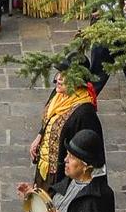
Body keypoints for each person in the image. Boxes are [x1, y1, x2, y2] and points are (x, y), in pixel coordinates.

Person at [26, 68, 104, 198]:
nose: (59, 78)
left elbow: (88, 155)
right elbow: (50, 118)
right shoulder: (58, 95)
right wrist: (40, 136)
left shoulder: (84, 114)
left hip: (61, 176)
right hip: (43, 170)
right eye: (59, 73)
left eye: (66, 75)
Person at [48, 130, 115, 212]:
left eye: (72, 157)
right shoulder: (71, 180)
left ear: (86, 167)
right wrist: (33, 195)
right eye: (67, 154)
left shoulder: (95, 199)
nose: (65, 160)